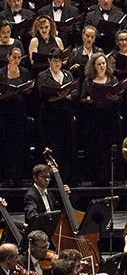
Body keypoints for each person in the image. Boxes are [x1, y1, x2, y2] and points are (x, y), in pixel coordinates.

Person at [36, 48, 78, 182]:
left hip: (65, 115)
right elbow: (43, 95)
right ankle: (52, 179)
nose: (57, 64)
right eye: (54, 61)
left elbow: (75, 93)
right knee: (53, 147)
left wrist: (66, 96)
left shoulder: (67, 74)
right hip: (50, 118)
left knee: (67, 146)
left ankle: (68, 178)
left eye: (59, 61)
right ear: (49, 61)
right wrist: (61, 96)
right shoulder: (43, 75)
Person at [80, 53, 122, 186]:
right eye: (98, 64)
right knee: (95, 148)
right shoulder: (88, 81)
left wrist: (116, 99)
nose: (102, 66)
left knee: (108, 149)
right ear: (93, 66)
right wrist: (88, 100)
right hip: (94, 119)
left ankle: (110, 177)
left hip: (110, 119)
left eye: (103, 63)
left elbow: (120, 99)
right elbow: (81, 99)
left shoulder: (112, 79)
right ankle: (96, 178)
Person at [0, 45, 31, 185]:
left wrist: (29, 88)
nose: (16, 60)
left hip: (19, 112)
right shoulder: (1, 73)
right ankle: (6, 177)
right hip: (5, 113)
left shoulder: (24, 72)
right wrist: (7, 94)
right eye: (14, 57)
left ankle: (18, 176)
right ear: (8, 57)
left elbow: (28, 94)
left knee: (19, 144)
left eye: (19, 58)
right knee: (6, 144)